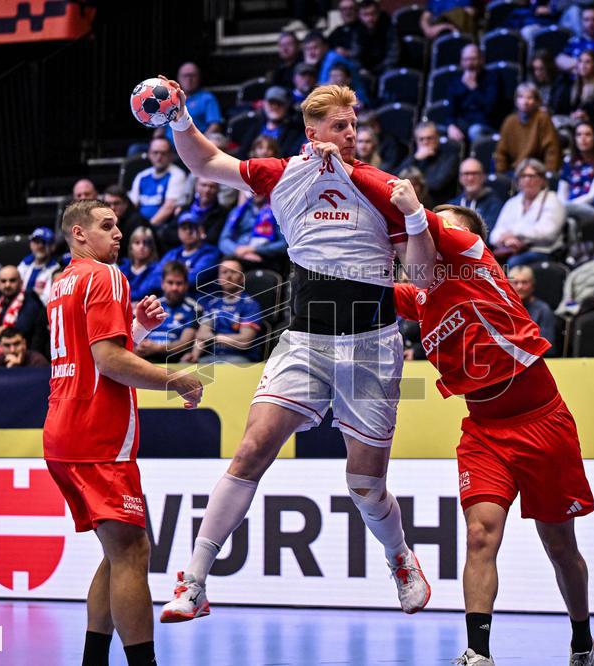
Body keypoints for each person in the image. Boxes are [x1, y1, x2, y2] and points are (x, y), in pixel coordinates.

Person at [159, 80, 437, 622]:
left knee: (365, 485)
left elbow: (423, 278)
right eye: (340, 125)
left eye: (354, 125)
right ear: (313, 132)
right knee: (251, 451)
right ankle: (194, 581)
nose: (351, 133)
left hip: (371, 348)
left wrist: (416, 216)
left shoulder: (381, 186)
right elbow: (206, 162)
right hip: (305, 343)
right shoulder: (283, 173)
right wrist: (179, 119)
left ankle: (400, 557)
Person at [382, 196, 594, 666]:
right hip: (484, 432)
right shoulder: (422, 295)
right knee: (480, 535)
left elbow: (421, 224)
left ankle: (582, 638)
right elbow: (369, 286)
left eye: (441, 231)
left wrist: (395, 198)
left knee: (560, 546)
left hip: (542, 423)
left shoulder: (475, 261)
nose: (430, 240)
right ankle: (478, 652)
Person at [42, 199, 202, 666]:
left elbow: (93, 350)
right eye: (107, 225)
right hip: (98, 434)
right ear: (78, 233)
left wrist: (136, 328)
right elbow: (109, 361)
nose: (119, 234)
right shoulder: (107, 276)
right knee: (133, 551)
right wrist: (176, 377)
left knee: (117, 553)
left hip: (63, 431)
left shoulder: (60, 283)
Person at [184, 258, 263, 364]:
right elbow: (201, 335)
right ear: (219, 278)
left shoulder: (250, 305)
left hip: (241, 359)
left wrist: (216, 338)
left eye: (233, 272)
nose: (228, 276)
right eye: (224, 272)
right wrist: (194, 356)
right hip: (212, 358)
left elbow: (245, 341)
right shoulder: (212, 304)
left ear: (242, 278)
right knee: (185, 365)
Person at [490, 159, 566, 266]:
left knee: (514, 262)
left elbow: (548, 233)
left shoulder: (552, 200)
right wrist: (506, 240)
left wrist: (515, 233)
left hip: (542, 252)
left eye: (532, 176)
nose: (527, 180)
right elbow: (495, 234)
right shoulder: (512, 202)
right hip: (510, 250)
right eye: (523, 176)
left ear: (542, 180)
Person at [134, 261, 200, 362]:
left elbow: (184, 343)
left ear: (186, 285)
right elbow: (136, 336)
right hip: (145, 358)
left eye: (179, 283)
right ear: (162, 284)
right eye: (170, 282)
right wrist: (138, 347)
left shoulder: (194, 309)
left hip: (174, 361)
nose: (174, 288)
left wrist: (157, 348)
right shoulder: (151, 305)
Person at [494, 84, 562, 175]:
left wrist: (549, 174)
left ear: (537, 101)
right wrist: (500, 175)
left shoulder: (543, 119)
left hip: (538, 170)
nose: (525, 102)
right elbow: (501, 153)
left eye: (529, 98)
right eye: (521, 97)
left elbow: (552, 150)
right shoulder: (509, 121)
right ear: (516, 101)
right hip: (515, 171)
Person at [0, 265, 44, 353]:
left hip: (23, 355)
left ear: (21, 282)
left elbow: (19, 330)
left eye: (12, 280)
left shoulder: (30, 302)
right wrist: (0, 331)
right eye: (3, 281)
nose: (7, 285)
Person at [129, 137, 191, 229]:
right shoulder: (142, 176)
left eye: (163, 153)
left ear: (171, 155)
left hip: (162, 227)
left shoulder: (177, 175)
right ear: (149, 154)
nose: (159, 157)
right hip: (139, 225)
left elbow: (169, 208)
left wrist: (147, 228)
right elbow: (132, 205)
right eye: (155, 153)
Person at [447, 44, 503, 143]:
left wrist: (474, 88)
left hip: (486, 124)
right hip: (463, 123)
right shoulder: (456, 82)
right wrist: (451, 126)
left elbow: (491, 108)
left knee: (475, 130)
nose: (469, 63)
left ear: (481, 60)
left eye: (473, 59)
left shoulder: (493, 78)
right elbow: (451, 111)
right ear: (461, 62)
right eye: (466, 59)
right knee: (438, 131)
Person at [232, 86, 306, 159]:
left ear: (287, 106)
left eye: (279, 103)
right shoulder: (254, 125)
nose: (275, 107)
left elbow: (291, 157)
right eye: (271, 102)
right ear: (264, 104)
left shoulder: (294, 131)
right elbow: (243, 153)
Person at [219, 193, 288, 270]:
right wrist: (238, 251)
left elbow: (284, 244)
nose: (256, 192)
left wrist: (255, 249)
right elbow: (224, 241)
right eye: (253, 189)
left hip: (265, 258)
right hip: (238, 255)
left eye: (259, 190)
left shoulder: (277, 212)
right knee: (226, 268)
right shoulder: (239, 211)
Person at [157, 212, 222, 294]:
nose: (188, 231)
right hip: (173, 298)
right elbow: (155, 277)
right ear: (178, 232)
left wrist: (169, 278)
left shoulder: (210, 253)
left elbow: (194, 279)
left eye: (192, 227)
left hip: (200, 298)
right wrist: (187, 271)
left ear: (201, 230)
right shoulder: (173, 253)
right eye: (184, 228)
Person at [557, 121, 594, 224]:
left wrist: (567, 206)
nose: (583, 138)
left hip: (590, 208)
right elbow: (562, 190)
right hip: (567, 207)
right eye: (579, 135)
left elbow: (592, 196)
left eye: (588, 135)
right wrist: (562, 205)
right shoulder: (569, 161)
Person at [397, 121, 461, 203]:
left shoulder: (449, 156)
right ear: (416, 141)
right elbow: (395, 177)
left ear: (437, 138)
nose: (425, 142)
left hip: (439, 203)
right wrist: (415, 159)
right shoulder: (415, 157)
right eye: (421, 139)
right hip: (413, 201)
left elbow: (436, 184)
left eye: (429, 138)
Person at [555, 5, 594, 74]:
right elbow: (559, 61)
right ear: (582, 22)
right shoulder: (574, 41)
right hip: (572, 80)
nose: (590, 24)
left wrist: (572, 66)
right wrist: (586, 64)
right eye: (586, 20)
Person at [446, 157, 504, 231]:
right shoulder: (452, 204)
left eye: (475, 173)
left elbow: (488, 232)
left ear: (483, 176)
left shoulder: (495, 204)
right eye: (466, 174)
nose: (470, 178)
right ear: (460, 178)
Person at [508, 265, 556, 343]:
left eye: (524, 282)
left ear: (532, 284)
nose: (520, 286)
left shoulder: (543, 310)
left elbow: (546, 342)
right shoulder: (504, 307)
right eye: (515, 282)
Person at [350, 0, 399, 76]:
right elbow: (355, 55)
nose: (370, 18)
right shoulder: (357, 30)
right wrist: (361, 69)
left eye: (373, 14)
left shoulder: (389, 27)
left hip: (386, 68)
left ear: (378, 13)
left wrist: (378, 70)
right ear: (359, 16)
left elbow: (393, 55)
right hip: (365, 70)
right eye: (365, 15)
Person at [18, 227, 62, 305]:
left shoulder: (56, 270)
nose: (40, 246)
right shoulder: (25, 263)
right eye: (36, 242)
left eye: (44, 242)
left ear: (52, 247)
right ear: (31, 244)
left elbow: (48, 300)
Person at [118, 226, 162, 303]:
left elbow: (143, 294)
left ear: (152, 248)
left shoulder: (157, 270)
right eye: (137, 242)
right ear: (131, 247)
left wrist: (121, 295)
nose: (141, 247)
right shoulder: (123, 269)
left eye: (146, 243)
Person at [175, 62, 223, 133]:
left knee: (214, 139)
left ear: (199, 77)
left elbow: (215, 125)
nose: (189, 79)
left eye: (192, 75)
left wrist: (202, 139)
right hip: (170, 138)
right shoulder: (170, 98)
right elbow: (162, 126)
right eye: (185, 76)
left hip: (199, 137)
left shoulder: (207, 98)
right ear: (178, 78)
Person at [104, 185, 150, 258]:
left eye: (116, 203)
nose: (112, 207)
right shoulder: (106, 221)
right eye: (108, 204)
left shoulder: (137, 221)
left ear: (125, 203)